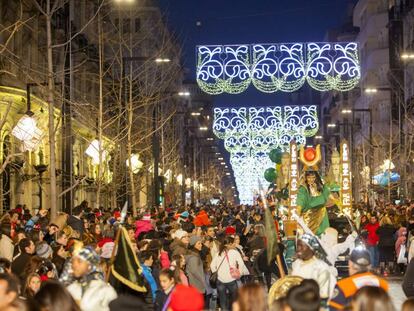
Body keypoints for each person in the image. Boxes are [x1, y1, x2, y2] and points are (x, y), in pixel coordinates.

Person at [291, 234, 336, 301]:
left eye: (302, 246)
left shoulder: (321, 267)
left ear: (311, 248)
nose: (298, 249)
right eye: (297, 246)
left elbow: (328, 292)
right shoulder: (296, 264)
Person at [210, 236, 249, 311]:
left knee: (222, 299)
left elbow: (212, 265)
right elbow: (241, 264)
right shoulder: (234, 252)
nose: (235, 244)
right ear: (229, 244)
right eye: (233, 243)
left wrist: (217, 274)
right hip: (231, 279)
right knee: (234, 299)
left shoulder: (219, 253)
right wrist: (239, 273)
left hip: (220, 280)